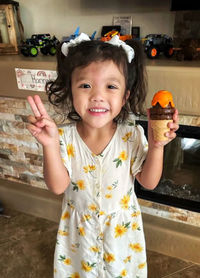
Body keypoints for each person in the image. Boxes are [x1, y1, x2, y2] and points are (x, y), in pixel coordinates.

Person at [27, 33, 179, 278]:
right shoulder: (63, 137)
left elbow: (148, 182)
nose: (97, 95)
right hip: (78, 238)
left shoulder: (131, 134)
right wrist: (49, 145)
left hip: (121, 238)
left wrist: (157, 145)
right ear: (70, 90)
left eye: (110, 86)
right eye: (86, 85)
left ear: (125, 96)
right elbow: (58, 187)